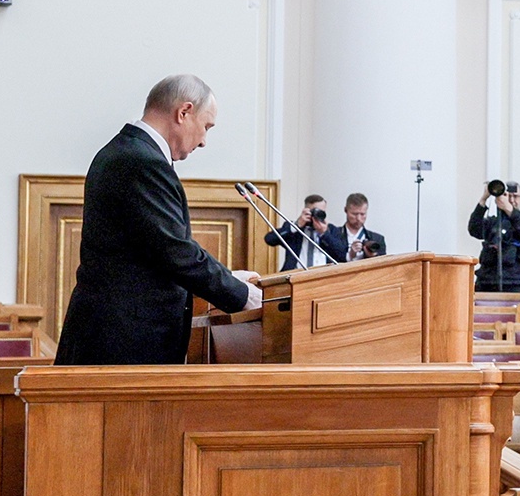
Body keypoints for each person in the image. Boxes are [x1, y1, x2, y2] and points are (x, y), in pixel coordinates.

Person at [55, 74, 260, 365]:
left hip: (120, 341)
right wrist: (242, 296)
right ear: (184, 112)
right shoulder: (140, 160)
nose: (203, 141)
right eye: (206, 127)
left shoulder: (130, 152)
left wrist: (229, 280)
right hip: (122, 346)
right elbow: (175, 251)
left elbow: (149, 255)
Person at [470, 182, 520, 292]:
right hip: (487, 282)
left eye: (515, 196)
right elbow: (474, 229)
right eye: (507, 196)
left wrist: (508, 209)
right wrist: (484, 198)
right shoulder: (492, 222)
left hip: (517, 283)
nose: (511, 200)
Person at [265, 193, 329, 270]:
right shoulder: (294, 230)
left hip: (323, 276)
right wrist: (296, 226)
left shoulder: (331, 230)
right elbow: (269, 239)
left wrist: (324, 233)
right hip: (296, 276)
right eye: (315, 211)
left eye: (321, 212)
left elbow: (341, 253)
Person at [320, 192, 386, 262]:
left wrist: (372, 256)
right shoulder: (333, 235)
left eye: (362, 214)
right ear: (346, 210)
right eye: (354, 214)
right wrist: (350, 255)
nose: (358, 218)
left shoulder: (378, 239)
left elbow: (383, 266)